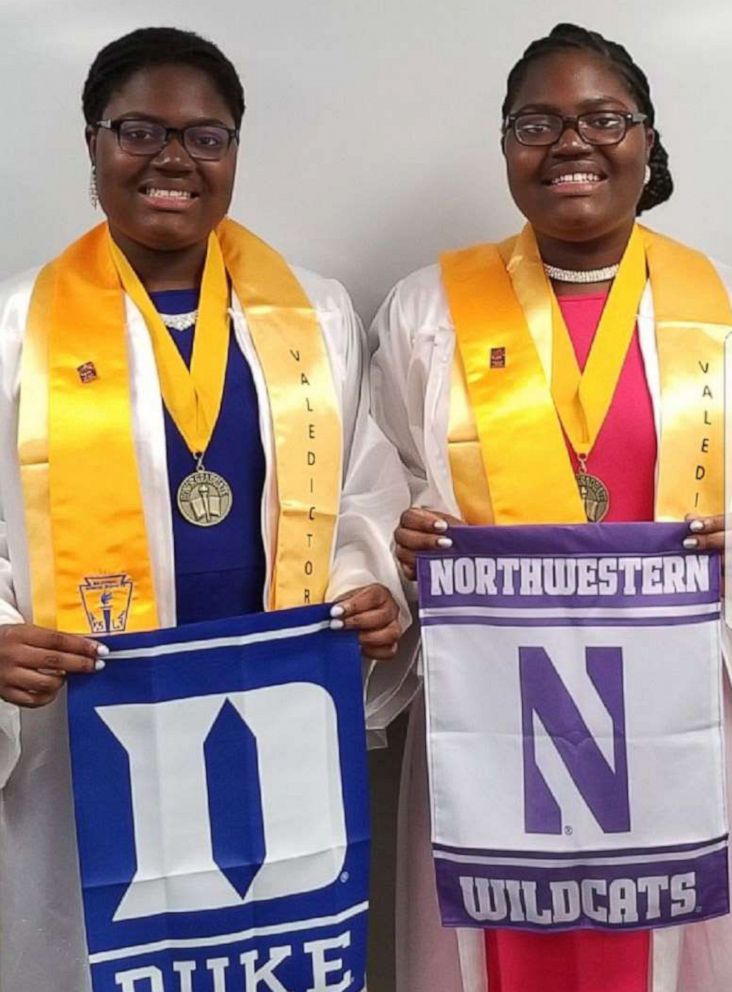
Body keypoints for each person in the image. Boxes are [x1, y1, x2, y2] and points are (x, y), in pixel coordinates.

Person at [0, 26, 409, 992]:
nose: (173, 160)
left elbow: (363, 489)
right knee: (103, 953)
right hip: (85, 728)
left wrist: (363, 588)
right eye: (139, 130)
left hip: (274, 723)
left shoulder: (316, 315)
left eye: (206, 136)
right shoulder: (16, 328)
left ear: (234, 150)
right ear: (93, 144)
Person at [369, 23, 732, 992]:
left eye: (603, 118)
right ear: (505, 149)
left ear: (648, 140)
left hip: (679, 714)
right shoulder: (426, 310)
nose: (572, 143)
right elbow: (378, 480)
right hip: (492, 717)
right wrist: (398, 538)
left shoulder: (719, 305)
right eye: (538, 122)